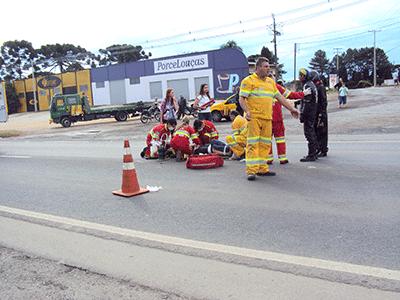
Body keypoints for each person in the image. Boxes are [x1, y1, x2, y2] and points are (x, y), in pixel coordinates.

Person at [239, 57, 299, 181]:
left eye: (269, 67)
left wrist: (292, 109)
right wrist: (247, 111)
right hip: (254, 118)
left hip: (267, 118)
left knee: (265, 145)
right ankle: (251, 171)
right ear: (258, 68)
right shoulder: (248, 81)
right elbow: (242, 99)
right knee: (253, 145)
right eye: (266, 66)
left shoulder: (270, 82)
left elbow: (280, 97)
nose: (268, 69)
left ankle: (262, 168)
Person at [267, 77, 310, 164]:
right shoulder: (276, 87)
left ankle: (269, 158)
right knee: (280, 139)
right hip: (276, 119)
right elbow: (290, 95)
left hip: (266, 118)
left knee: (268, 140)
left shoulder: (261, 87)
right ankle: (282, 158)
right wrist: (303, 94)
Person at [298, 68, 319, 162]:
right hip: (313, 112)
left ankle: (311, 155)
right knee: (312, 133)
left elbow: (307, 102)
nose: (299, 77)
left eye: (300, 75)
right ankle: (314, 153)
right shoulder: (311, 84)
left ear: (304, 76)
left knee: (309, 133)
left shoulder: (307, 86)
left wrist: (302, 114)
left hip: (309, 113)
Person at [313, 73, 329, 157]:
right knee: (318, 131)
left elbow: (323, 102)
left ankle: (323, 149)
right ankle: (320, 148)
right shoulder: (317, 87)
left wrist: (321, 114)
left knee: (322, 132)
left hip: (321, 114)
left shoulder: (320, 87)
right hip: (318, 113)